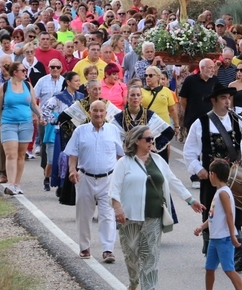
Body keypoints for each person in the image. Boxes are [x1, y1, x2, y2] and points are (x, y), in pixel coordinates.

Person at [111, 125, 205, 290]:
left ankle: (149, 287)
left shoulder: (158, 160)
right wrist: (117, 208)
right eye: (148, 139)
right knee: (131, 255)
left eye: (152, 139)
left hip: (154, 216)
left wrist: (190, 200)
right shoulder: (124, 163)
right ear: (137, 141)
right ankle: (134, 282)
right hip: (129, 217)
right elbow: (114, 188)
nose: (151, 142)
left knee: (150, 257)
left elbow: (173, 180)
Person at [184, 84, 242, 272]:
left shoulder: (237, 121)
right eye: (223, 98)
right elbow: (189, 152)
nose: (227, 102)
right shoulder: (200, 123)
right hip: (212, 178)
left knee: (236, 213)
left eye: (229, 98)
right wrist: (199, 170)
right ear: (214, 101)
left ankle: (238, 255)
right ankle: (211, 250)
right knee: (213, 214)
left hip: (234, 178)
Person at [66, 99, 124, 263]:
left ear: (106, 113)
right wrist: (72, 170)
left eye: (101, 111)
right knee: (84, 215)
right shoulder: (80, 131)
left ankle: (108, 250)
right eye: (95, 111)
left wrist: (121, 176)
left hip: (108, 179)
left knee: (107, 214)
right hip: (85, 178)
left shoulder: (113, 130)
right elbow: (73, 153)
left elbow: (120, 155)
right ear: (89, 112)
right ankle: (84, 247)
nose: (98, 114)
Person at [0, 62, 45, 195]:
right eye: (23, 70)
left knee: (21, 155)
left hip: (26, 124)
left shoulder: (28, 85)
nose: (25, 72)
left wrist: (40, 116)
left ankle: (17, 184)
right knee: (11, 154)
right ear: (15, 72)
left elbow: (33, 104)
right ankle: (10, 184)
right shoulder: (4, 87)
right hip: (8, 124)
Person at [193, 159, 242, 290]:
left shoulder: (223, 193)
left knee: (229, 270)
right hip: (215, 238)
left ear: (213, 174)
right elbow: (213, 216)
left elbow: (229, 215)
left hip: (224, 238)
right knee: (209, 268)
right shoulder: (219, 191)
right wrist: (201, 227)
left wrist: (232, 235)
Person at [40, 71, 83, 197]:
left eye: (79, 81)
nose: (78, 83)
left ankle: (74, 186)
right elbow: (45, 108)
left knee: (77, 158)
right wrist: (54, 120)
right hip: (63, 132)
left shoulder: (80, 96)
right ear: (68, 82)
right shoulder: (59, 97)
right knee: (63, 159)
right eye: (76, 81)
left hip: (77, 130)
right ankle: (61, 185)